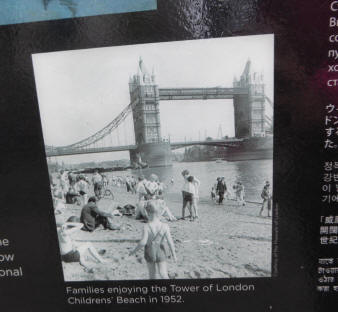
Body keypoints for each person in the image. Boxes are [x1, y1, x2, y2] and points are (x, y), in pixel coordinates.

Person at [129, 200, 177, 279]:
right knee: (163, 273)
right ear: (160, 213)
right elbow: (170, 242)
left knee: (152, 275)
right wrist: (174, 255)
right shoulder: (165, 226)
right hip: (161, 251)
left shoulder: (146, 226)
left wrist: (134, 251)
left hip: (149, 251)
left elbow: (143, 242)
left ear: (147, 213)